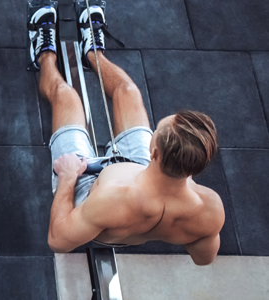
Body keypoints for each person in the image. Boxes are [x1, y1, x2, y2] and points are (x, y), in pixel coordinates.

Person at [29, 4, 224, 265]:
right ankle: (93, 52)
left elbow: (58, 240)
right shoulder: (210, 208)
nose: (153, 133)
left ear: (154, 151)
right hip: (140, 173)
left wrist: (66, 177)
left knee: (66, 97)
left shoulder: (110, 201)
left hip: (89, 190)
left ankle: (43, 56)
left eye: (157, 132)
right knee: (128, 91)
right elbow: (203, 258)